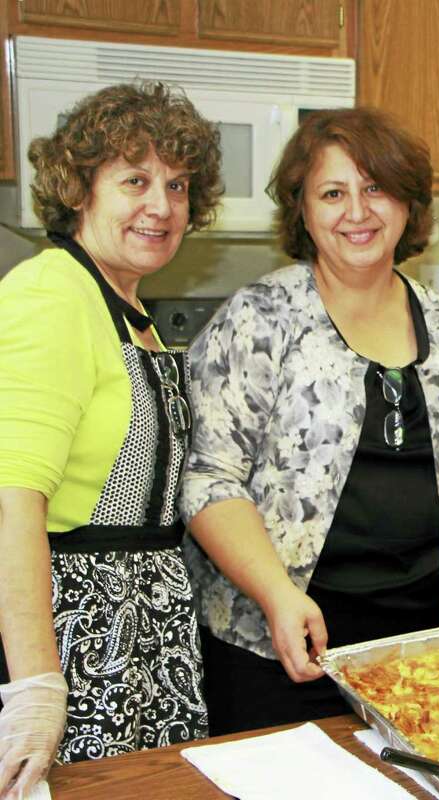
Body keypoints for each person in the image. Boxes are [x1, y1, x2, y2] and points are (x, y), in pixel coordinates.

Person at [180, 107, 439, 734]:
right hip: (284, 650)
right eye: (333, 193)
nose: (358, 211)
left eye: (376, 188)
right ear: (303, 210)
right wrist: (276, 595)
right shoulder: (258, 320)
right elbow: (210, 479)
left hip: (429, 655)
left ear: (408, 203)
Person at [0, 82, 222, 793]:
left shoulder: (129, 309)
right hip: (78, 636)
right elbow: (14, 499)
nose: (162, 205)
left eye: (178, 184)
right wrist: (35, 683)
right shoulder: (51, 296)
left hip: (146, 637)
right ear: (79, 192)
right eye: (135, 180)